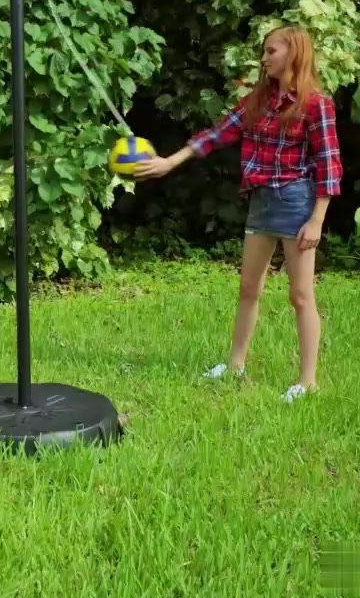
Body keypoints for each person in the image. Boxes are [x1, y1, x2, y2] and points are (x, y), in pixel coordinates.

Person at [135, 25, 342, 402]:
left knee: (300, 296)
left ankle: (308, 380)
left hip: (295, 202)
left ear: (294, 53)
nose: (264, 58)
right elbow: (216, 135)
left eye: (271, 51)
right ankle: (235, 365)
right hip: (261, 201)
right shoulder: (257, 101)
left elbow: (329, 165)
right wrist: (169, 162)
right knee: (248, 288)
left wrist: (317, 220)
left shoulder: (316, 105)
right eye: (264, 51)